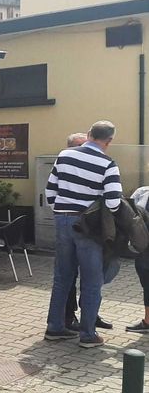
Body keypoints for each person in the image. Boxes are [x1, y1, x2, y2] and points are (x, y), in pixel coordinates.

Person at [45, 120, 122, 348]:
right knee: (91, 280)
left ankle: (55, 327)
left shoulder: (64, 155)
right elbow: (114, 202)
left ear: (89, 134)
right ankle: (88, 335)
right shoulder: (108, 164)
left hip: (62, 220)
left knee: (62, 277)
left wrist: (61, 211)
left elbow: (50, 191)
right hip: (89, 226)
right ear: (108, 141)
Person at [62, 132, 113, 332]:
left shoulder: (99, 163)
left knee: (94, 277)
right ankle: (69, 318)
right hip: (74, 224)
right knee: (68, 278)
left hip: (93, 226)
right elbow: (54, 193)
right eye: (80, 145)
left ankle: (90, 315)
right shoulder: (66, 163)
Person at [127, 184, 149, 333]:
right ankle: (148, 321)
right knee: (146, 283)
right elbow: (130, 215)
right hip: (144, 247)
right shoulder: (142, 192)